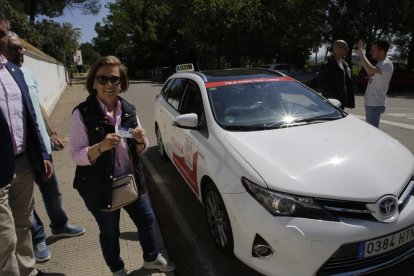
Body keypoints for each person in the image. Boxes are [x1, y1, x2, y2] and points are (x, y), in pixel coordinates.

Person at [69, 56, 175, 276]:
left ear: (122, 82)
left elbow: (143, 148)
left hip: (131, 182)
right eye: (103, 78)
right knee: (110, 232)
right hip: (99, 188)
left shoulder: (128, 108)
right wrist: (100, 147)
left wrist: (139, 141)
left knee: (147, 220)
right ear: (94, 82)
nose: (109, 84)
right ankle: (117, 270)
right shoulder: (82, 113)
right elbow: (75, 155)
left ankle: (151, 258)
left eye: (114, 79)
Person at [3, 32, 86, 263]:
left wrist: (51, 132)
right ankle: (38, 236)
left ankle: (60, 225)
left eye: (22, 49)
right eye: (14, 48)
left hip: (40, 147)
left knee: (52, 191)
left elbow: (36, 105)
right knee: (26, 203)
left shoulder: (26, 73)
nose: (21, 53)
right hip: (17, 154)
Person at [0, 12, 54, 276]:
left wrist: (41, 153)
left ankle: (29, 271)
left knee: (23, 225)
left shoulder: (13, 72)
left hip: (23, 163)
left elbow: (30, 117)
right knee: (4, 239)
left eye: (1, 33)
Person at [357, 39, 394, 128]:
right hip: (373, 103)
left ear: (381, 51)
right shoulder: (381, 63)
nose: (370, 52)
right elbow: (371, 73)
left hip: (375, 103)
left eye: (373, 50)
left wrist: (361, 53)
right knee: (372, 131)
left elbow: (370, 70)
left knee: (372, 132)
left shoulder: (386, 63)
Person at [318, 39, 355, 109]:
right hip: (332, 103)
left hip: (341, 102)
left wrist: (348, 100)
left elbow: (346, 84)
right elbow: (324, 86)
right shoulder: (326, 65)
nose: (347, 50)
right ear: (337, 49)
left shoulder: (344, 65)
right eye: (345, 48)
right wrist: (335, 100)